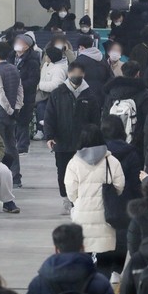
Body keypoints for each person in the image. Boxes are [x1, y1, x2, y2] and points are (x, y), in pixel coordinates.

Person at [45, 61, 101, 214]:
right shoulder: (58, 93)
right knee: (62, 172)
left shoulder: (90, 95)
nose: (76, 76)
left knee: (83, 172)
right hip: (62, 142)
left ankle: (80, 200)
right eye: (73, 73)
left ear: (83, 75)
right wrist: (49, 136)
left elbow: (96, 120)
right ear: (68, 74)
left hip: (83, 144)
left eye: (79, 73)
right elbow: (50, 116)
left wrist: (94, 139)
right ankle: (66, 199)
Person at [64, 124, 125, 257]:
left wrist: (81, 200)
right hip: (107, 218)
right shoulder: (112, 161)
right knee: (104, 266)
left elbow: (71, 193)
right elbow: (119, 187)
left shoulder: (73, 163)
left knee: (84, 265)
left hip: (81, 219)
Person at [98, 115, 143, 280]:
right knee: (122, 236)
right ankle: (116, 271)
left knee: (104, 236)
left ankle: (103, 269)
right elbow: (136, 182)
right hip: (126, 201)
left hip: (103, 201)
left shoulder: (98, 153)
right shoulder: (132, 152)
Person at [0, 41, 24, 186]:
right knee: (11, 145)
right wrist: (16, 108)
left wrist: (8, 109)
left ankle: (0, 178)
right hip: (12, 113)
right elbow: (20, 89)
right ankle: (15, 176)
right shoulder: (14, 68)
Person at [9, 34, 41, 161]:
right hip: (12, 95)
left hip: (26, 95)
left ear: (27, 46)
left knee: (23, 121)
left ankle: (23, 146)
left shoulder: (32, 60)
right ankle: (14, 143)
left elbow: (33, 80)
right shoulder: (11, 57)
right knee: (13, 120)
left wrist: (19, 86)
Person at [75, 35, 113, 108]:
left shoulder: (79, 61)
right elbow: (110, 77)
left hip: (84, 98)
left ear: (81, 47)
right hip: (101, 97)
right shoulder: (103, 59)